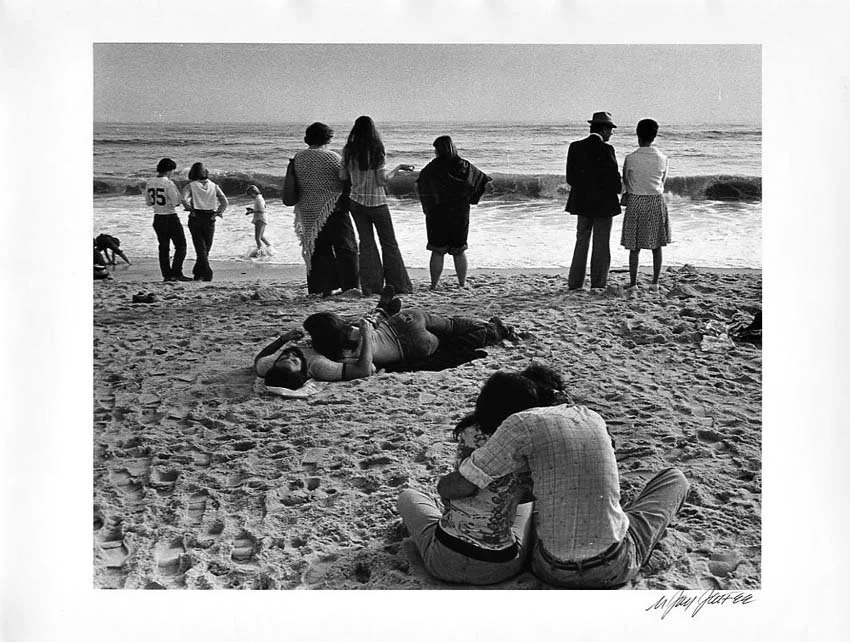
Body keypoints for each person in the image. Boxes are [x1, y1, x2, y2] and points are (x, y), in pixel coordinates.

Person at [437, 371, 690, 589]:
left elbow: (463, 484)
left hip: (549, 569)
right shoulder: (594, 418)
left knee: (540, 504)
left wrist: (442, 487)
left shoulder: (520, 423)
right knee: (674, 479)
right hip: (611, 567)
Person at [397, 366, 563, 585]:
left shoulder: (472, 433)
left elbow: (454, 490)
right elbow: (532, 493)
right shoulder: (530, 441)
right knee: (525, 505)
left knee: (407, 496)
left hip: (444, 559)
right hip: (504, 566)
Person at [254, 291, 514, 386]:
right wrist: (367, 333)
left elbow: (259, 359)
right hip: (404, 332)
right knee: (452, 330)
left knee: (453, 334)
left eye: (283, 358)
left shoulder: (271, 366)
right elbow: (364, 370)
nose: (289, 355)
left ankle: (492, 330)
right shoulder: (319, 363)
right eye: (292, 361)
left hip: (407, 334)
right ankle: (381, 313)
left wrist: (284, 339)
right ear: (301, 373)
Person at [341, 115, 414, 295]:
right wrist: (398, 168)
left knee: (366, 243)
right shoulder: (377, 149)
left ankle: (371, 286)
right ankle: (398, 285)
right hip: (377, 202)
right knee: (389, 243)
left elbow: (342, 176)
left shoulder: (348, 150)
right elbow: (382, 180)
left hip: (356, 201)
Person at [291, 122, 359, 296]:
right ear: (328, 138)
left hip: (308, 210)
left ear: (308, 138)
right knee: (346, 248)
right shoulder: (332, 158)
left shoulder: (298, 158)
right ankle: (349, 287)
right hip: (333, 207)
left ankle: (320, 288)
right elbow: (345, 180)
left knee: (318, 250)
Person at [416, 135, 491, 290]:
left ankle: (434, 285)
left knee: (437, 251)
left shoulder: (432, 168)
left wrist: (427, 204)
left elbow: (420, 185)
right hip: (460, 213)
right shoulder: (465, 165)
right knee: (459, 250)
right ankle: (462, 284)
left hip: (437, 214)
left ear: (438, 150)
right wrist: (471, 196)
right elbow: (483, 180)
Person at [565, 111, 622, 290]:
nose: (611, 133)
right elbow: (614, 179)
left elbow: (570, 179)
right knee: (601, 243)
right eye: (611, 130)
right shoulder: (607, 150)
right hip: (604, 203)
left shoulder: (575, 147)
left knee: (581, 241)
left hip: (581, 201)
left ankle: (575, 283)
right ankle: (598, 283)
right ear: (604, 129)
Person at [620, 119, 671, 288]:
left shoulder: (631, 158)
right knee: (657, 245)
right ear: (654, 136)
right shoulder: (663, 158)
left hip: (636, 200)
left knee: (634, 246)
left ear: (638, 135)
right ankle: (655, 282)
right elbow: (662, 182)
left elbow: (626, 181)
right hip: (656, 200)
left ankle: (633, 282)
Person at [144, 158, 191, 281]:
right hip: (170, 217)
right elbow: (176, 202)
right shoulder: (168, 183)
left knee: (163, 247)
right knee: (181, 246)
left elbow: (148, 202)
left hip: (157, 217)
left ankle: (167, 275)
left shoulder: (150, 182)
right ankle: (177, 272)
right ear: (169, 170)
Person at [183, 162, 228, 281]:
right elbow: (224, 202)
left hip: (195, 217)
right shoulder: (214, 185)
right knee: (206, 247)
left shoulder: (190, 186)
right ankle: (204, 272)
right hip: (210, 218)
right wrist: (218, 212)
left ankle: (200, 272)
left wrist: (189, 209)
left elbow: (184, 199)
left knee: (200, 247)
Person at [245, 185, 273, 256]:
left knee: (257, 238)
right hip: (263, 218)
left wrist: (252, 211)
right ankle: (270, 249)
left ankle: (261, 253)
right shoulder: (260, 198)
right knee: (261, 236)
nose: (251, 196)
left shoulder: (258, 199)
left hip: (260, 219)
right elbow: (262, 209)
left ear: (253, 192)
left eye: (250, 195)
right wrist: (253, 211)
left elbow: (261, 210)